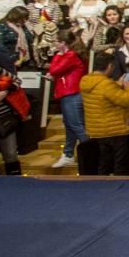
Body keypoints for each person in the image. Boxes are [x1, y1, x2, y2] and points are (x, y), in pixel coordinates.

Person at [80, 53, 129, 175]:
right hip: (116, 130)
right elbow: (127, 100)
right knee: (120, 165)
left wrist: (117, 84)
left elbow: (104, 93)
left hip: (98, 130)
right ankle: (120, 188)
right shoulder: (106, 85)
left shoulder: (86, 81)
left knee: (104, 162)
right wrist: (128, 87)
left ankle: (102, 187)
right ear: (109, 66)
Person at [47, 29, 88, 169]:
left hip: (73, 94)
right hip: (68, 93)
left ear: (63, 43)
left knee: (76, 126)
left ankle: (92, 155)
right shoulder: (69, 55)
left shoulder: (69, 55)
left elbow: (53, 70)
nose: (54, 44)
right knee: (70, 126)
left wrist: (58, 54)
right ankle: (68, 154)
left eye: (56, 42)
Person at [0, 64, 23, 176]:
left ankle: (17, 187)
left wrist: (5, 92)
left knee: (11, 154)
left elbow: (17, 81)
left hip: (3, 119)